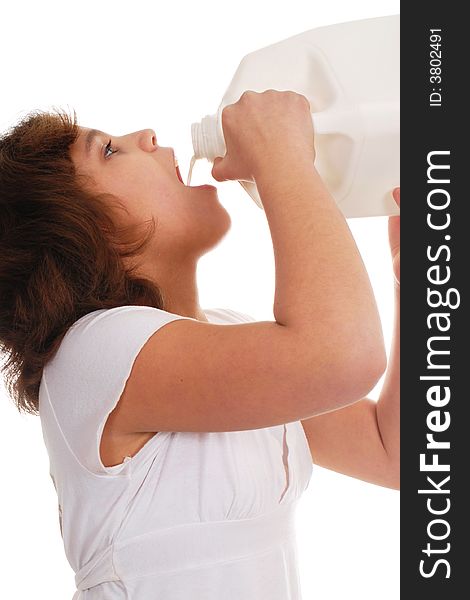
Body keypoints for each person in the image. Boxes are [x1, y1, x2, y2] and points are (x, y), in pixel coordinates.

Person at [0, 90, 399, 599]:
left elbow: (395, 452)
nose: (146, 136)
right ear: (84, 230)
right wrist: (283, 157)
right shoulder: (95, 349)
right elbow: (344, 356)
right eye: (108, 151)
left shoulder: (230, 335)